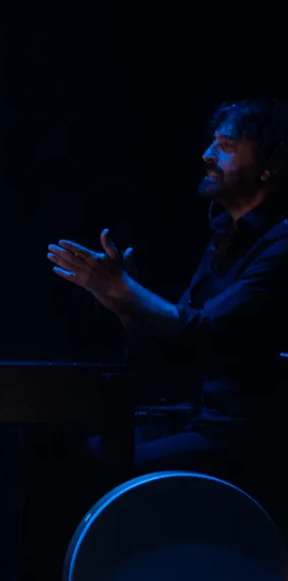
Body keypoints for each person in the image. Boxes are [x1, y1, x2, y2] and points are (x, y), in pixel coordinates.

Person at [48, 97, 287, 485]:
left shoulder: (281, 243)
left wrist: (126, 290)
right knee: (62, 453)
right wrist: (119, 301)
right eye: (212, 143)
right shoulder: (226, 239)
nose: (207, 155)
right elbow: (173, 346)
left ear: (269, 166)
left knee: (90, 469)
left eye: (226, 146)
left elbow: (204, 330)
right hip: (194, 420)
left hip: (241, 434)